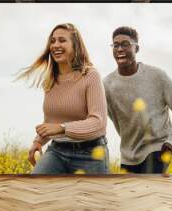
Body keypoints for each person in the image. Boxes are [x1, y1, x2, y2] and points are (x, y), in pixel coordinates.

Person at [16, 23, 109, 174]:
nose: (55, 45)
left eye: (62, 40)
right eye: (52, 41)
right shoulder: (51, 80)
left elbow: (98, 123)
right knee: (37, 189)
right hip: (57, 151)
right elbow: (50, 122)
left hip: (90, 153)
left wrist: (62, 128)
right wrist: (38, 141)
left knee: (90, 197)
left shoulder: (90, 75)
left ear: (75, 45)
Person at [103, 26, 172, 174]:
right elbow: (107, 118)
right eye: (115, 45)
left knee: (150, 188)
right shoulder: (107, 85)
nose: (119, 49)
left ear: (136, 49)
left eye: (125, 44)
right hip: (128, 155)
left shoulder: (157, 76)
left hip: (158, 148)